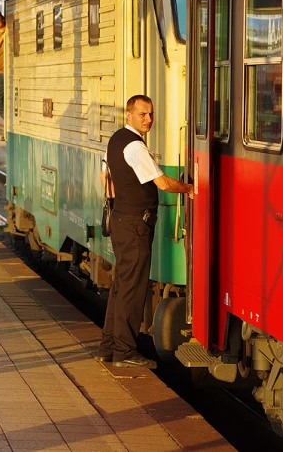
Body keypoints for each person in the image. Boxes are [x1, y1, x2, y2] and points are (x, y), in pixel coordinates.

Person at [96, 94, 193, 369]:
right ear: (129, 115)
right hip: (135, 225)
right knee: (133, 289)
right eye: (142, 114)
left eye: (150, 114)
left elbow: (105, 178)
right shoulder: (136, 147)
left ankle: (108, 346)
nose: (148, 119)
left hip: (121, 219)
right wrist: (189, 189)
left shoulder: (115, 140)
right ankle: (125, 353)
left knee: (120, 287)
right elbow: (162, 183)